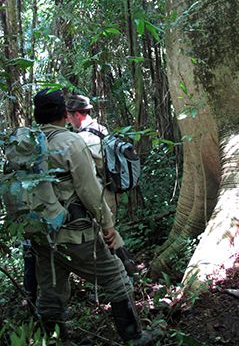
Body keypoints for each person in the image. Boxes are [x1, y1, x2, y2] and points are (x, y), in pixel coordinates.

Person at [31, 88, 154, 345]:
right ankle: (134, 337)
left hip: (41, 235)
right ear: (64, 114)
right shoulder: (70, 142)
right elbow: (90, 191)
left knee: (51, 292)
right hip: (75, 236)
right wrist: (107, 224)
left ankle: (54, 340)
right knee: (116, 276)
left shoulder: (28, 145)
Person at [65, 94, 135, 276]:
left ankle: (123, 276)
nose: (68, 120)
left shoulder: (82, 139)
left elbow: (86, 174)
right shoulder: (100, 129)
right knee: (110, 233)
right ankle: (129, 271)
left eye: (70, 116)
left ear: (77, 115)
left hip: (101, 194)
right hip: (113, 191)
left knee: (105, 237)